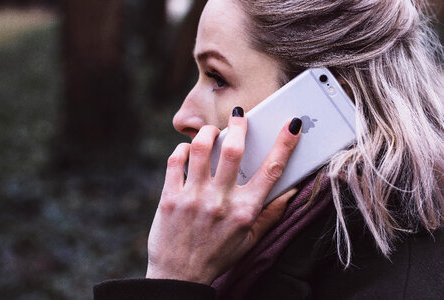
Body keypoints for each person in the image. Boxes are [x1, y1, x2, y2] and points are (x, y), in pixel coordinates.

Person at [94, 0, 444, 299]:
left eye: (217, 77)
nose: (182, 117)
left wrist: (171, 279)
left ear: (321, 103)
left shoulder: (397, 284)